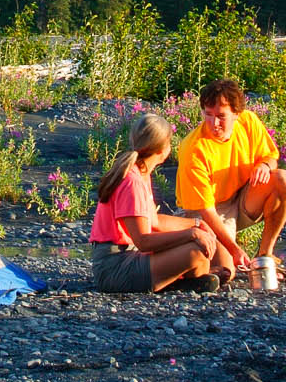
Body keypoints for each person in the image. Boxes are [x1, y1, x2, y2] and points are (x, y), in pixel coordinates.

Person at [90, 112, 234, 295]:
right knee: (195, 253)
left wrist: (197, 225)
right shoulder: (132, 182)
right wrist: (190, 235)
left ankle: (180, 280)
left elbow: (154, 222)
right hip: (114, 267)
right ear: (161, 149)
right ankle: (177, 281)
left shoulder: (140, 172)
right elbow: (143, 241)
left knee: (201, 253)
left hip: (127, 257)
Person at [175, 79, 286, 275]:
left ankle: (266, 256)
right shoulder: (194, 149)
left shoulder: (248, 122)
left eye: (221, 116)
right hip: (209, 211)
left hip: (242, 195)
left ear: (236, 114)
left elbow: (271, 156)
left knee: (283, 179)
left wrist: (265, 165)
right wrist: (234, 249)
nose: (214, 123)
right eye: (208, 115)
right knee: (226, 270)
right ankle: (192, 264)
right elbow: (206, 210)